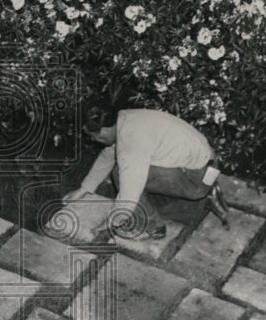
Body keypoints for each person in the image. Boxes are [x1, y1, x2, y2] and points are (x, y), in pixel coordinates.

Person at [63, 100, 230, 240]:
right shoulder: (124, 119)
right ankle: (206, 196)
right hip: (206, 167)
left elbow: (130, 191)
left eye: (93, 136)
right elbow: (108, 154)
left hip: (197, 177)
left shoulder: (131, 144)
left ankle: (150, 226)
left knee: (121, 177)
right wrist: (83, 190)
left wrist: (111, 221)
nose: (93, 140)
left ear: (104, 130)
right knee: (156, 203)